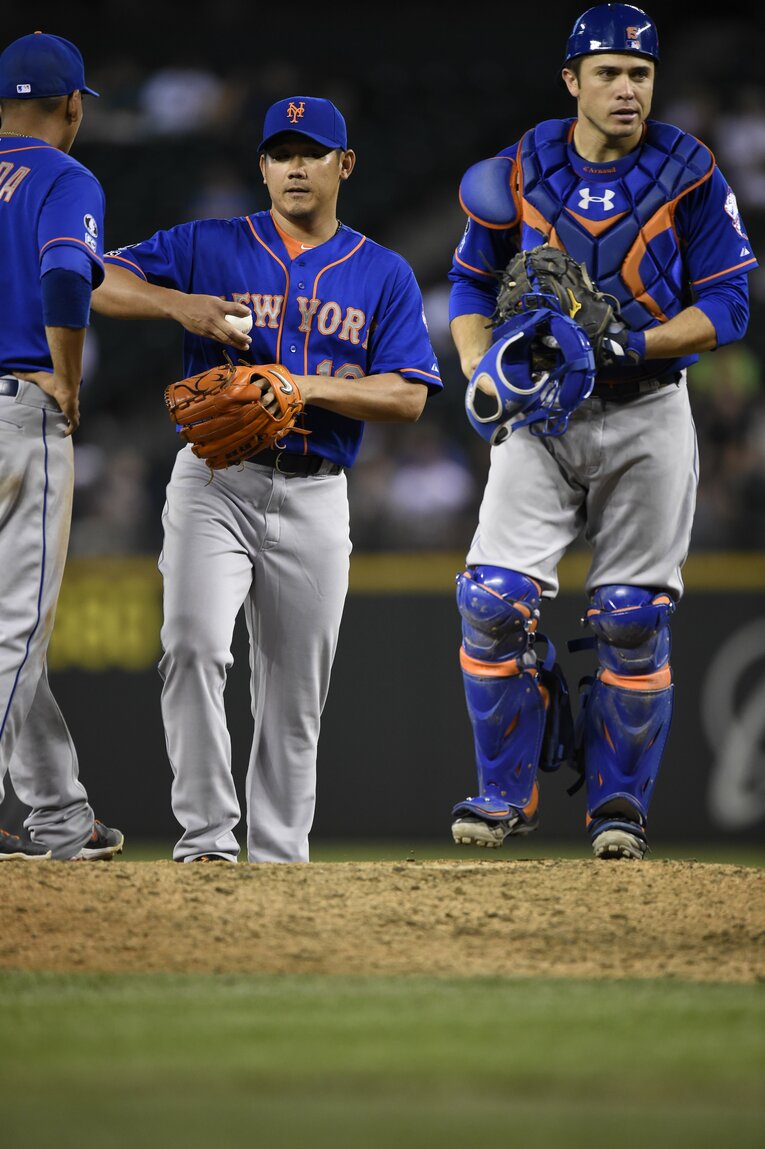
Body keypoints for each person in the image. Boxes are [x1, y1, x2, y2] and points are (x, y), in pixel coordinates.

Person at [92, 95, 443, 863]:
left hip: (316, 493)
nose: (294, 167)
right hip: (214, 482)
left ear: (343, 165)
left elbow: (409, 394)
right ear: (261, 166)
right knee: (190, 646)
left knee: (293, 699)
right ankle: (208, 841)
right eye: (280, 153)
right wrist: (175, 303)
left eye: (310, 152)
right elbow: (93, 278)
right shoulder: (208, 244)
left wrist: (301, 387)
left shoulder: (380, 272)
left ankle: (279, 862)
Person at [447, 3, 758, 860]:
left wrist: (629, 340)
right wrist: (481, 367)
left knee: (628, 616)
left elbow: (728, 305)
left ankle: (617, 806)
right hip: (542, 411)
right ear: (571, 82)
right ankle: (504, 794)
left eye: (641, 73)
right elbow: (469, 284)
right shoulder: (520, 167)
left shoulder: (689, 169)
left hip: (648, 406)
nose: (627, 88)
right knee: (490, 601)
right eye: (610, 72)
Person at [0, 32, 124, 861]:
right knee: (15, 628)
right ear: (72, 105)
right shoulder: (63, 175)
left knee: (14, 636)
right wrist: (68, 374)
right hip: (18, 410)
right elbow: (67, 276)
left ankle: (59, 819)